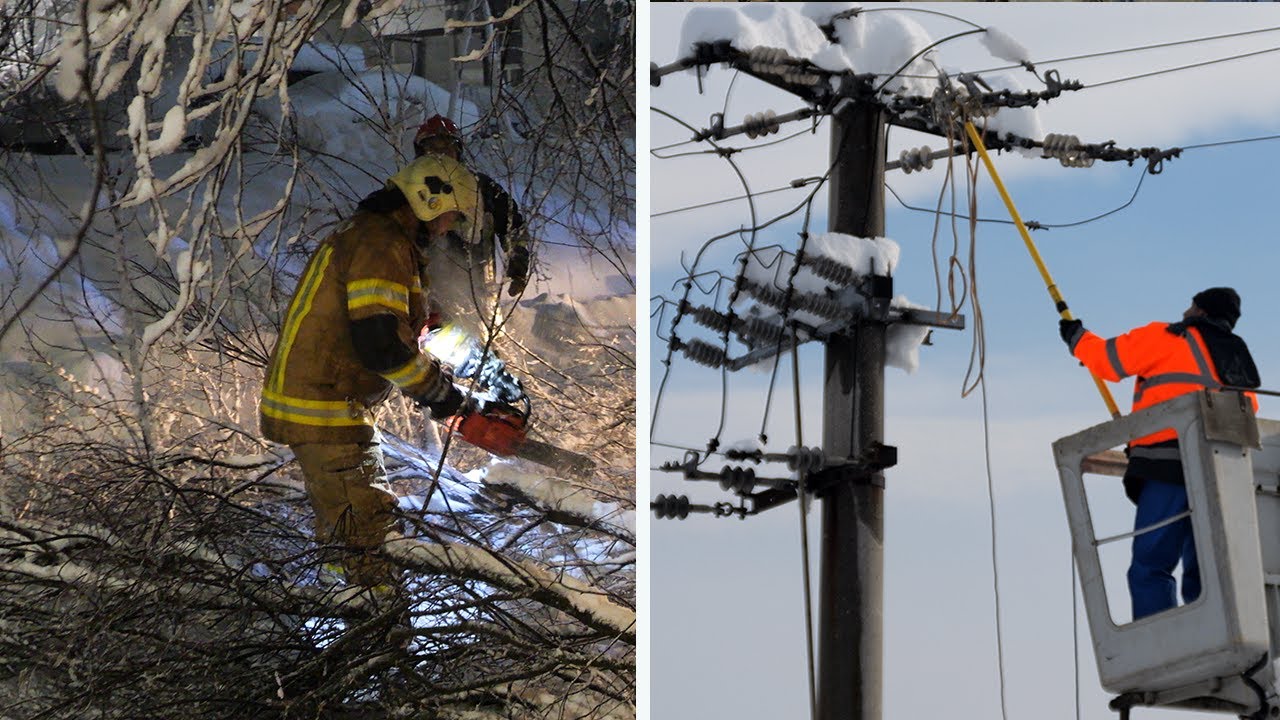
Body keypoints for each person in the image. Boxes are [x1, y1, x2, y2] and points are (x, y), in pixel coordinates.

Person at [260, 154, 480, 589]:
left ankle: (343, 615)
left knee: (345, 542)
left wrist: (479, 367)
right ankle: (380, 643)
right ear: (430, 201)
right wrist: (443, 396)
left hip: (328, 405)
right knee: (371, 545)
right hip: (326, 411)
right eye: (450, 217)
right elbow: (381, 346)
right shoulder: (380, 244)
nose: (449, 228)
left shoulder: (382, 240)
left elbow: (412, 326)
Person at [1060, 287, 1260, 620]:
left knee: (1151, 566)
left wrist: (1076, 337)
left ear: (1198, 310)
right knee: (1209, 569)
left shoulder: (1167, 337)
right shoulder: (1237, 359)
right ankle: (1210, 636)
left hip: (1167, 469)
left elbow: (1107, 360)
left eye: (1190, 305)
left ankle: (1163, 638)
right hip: (1224, 473)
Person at [412, 114, 532, 302]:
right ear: (421, 154)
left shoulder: (482, 188)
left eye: (447, 150)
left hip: (478, 294)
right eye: (433, 150)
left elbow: (513, 226)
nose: (441, 157)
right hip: (422, 296)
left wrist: (518, 264)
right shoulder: (409, 190)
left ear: (458, 153)